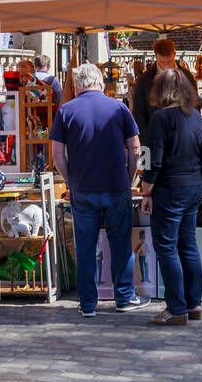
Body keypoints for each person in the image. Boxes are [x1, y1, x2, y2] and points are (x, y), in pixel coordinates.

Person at [50, 61, 144, 317]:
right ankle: (124, 297)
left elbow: (57, 154)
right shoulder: (119, 107)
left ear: (79, 84)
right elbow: (135, 148)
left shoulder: (65, 111)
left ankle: (88, 303)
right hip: (116, 185)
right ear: (99, 82)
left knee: (85, 246)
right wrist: (130, 176)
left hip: (83, 188)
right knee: (121, 244)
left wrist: (70, 179)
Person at [142, 69, 202, 326]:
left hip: (170, 188)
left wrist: (146, 190)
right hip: (194, 186)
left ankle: (176, 307)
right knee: (188, 245)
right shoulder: (195, 116)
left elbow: (153, 160)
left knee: (167, 247)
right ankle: (194, 303)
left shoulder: (161, 118)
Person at [131, 38, 198, 137]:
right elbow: (139, 113)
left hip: (184, 134)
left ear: (174, 54)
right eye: (162, 62)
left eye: (169, 61)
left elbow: (195, 105)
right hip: (157, 135)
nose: (166, 66)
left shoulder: (187, 76)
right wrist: (146, 140)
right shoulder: (144, 80)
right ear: (156, 57)